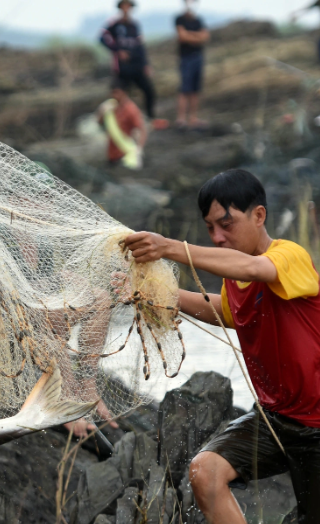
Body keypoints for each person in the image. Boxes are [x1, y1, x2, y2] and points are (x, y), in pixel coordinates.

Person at [121, 169, 320, 524]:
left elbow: (256, 269)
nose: (217, 237)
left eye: (226, 225)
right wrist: (153, 294)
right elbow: (225, 312)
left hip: (318, 423)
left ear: (259, 216)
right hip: (275, 419)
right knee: (205, 472)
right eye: (210, 227)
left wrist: (168, 247)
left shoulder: (289, 256)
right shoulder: (235, 276)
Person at [100, 0, 168, 130]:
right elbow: (102, 38)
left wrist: (145, 64)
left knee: (149, 91)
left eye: (128, 6)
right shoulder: (114, 24)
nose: (126, 8)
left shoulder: (134, 25)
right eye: (124, 6)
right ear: (120, 8)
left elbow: (140, 46)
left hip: (136, 66)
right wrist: (117, 50)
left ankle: (150, 118)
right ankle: (114, 122)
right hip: (122, 68)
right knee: (119, 94)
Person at [175, 0, 210, 129]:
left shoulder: (198, 20)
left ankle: (193, 118)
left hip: (198, 57)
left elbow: (205, 36)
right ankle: (181, 119)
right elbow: (182, 36)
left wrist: (189, 35)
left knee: (195, 89)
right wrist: (197, 37)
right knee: (185, 88)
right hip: (186, 58)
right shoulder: (179, 19)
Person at [97, 79, 147, 167]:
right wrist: (102, 113)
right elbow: (100, 123)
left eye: (117, 92)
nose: (114, 96)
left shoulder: (131, 110)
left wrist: (139, 149)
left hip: (125, 154)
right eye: (112, 93)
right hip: (112, 154)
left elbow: (142, 129)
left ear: (124, 92)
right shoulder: (110, 107)